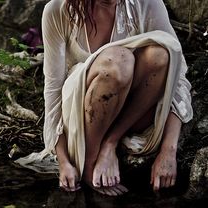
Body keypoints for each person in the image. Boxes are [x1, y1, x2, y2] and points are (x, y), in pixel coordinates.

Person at [16, 0, 193, 196]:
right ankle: (89, 161)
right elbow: (53, 91)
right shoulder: (57, 10)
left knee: (162, 54)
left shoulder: (146, 3)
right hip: (83, 117)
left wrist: (169, 151)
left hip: (129, 116)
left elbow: (178, 78)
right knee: (118, 60)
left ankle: (110, 143)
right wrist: (64, 160)